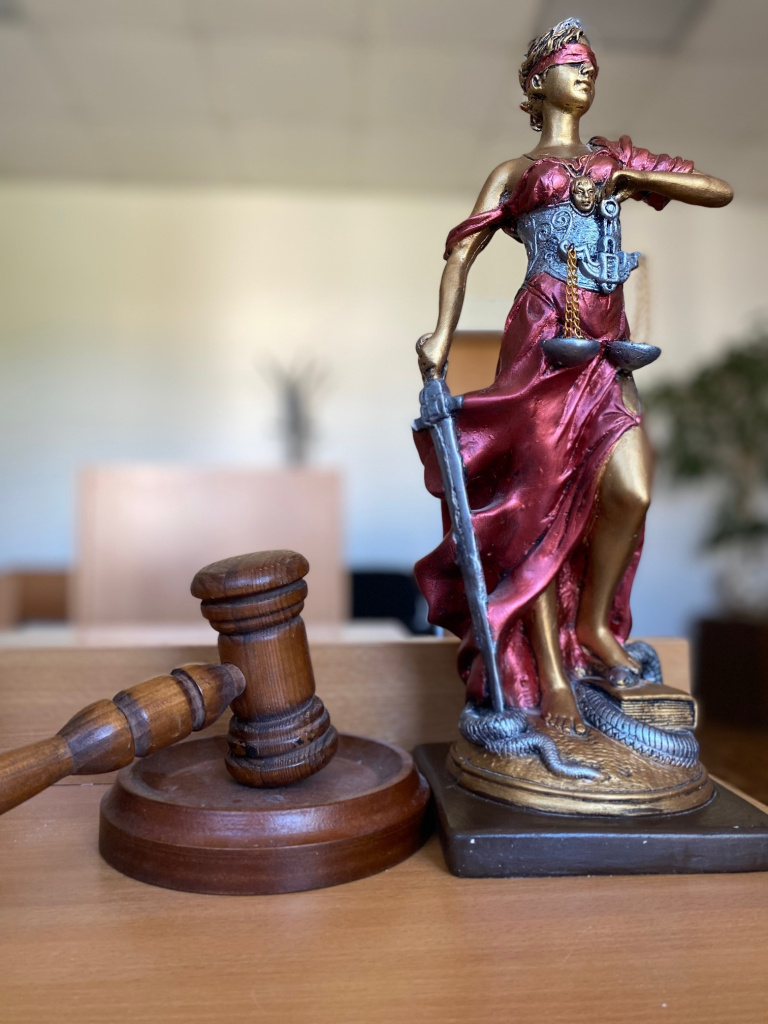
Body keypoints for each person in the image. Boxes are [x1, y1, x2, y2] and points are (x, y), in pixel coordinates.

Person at [414, 18, 732, 737]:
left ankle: (592, 625)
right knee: (539, 510)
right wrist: (441, 334)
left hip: (609, 349)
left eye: (592, 64)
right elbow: (461, 254)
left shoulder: (615, 158)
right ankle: (552, 677)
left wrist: (635, 177)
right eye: (573, 62)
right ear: (537, 82)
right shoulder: (513, 171)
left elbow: (718, 190)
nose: (588, 72)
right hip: (542, 341)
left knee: (632, 489)